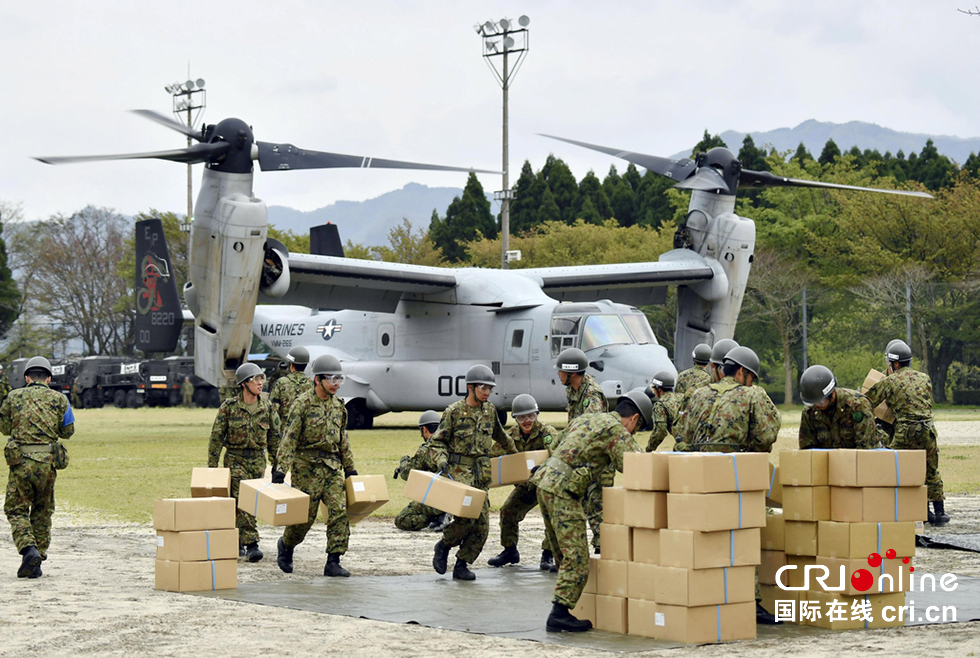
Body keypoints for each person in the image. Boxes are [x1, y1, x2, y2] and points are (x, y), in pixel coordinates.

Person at [532, 388, 651, 633]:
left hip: (544, 483)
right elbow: (635, 465)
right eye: (637, 429)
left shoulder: (586, 418)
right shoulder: (617, 430)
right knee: (577, 558)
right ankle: (559, 614)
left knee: (563, 553)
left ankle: (569, 605)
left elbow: (557, 444)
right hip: (563, 491)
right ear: (634, 419)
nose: (633, 433)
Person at [429, 364, 517, 581]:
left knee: (483, 526)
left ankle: (462, 564)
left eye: (490, 388)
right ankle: (444, 545)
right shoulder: (454, 412)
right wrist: (441, 460)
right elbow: (437, 442)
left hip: (481, 475)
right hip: (459, 473)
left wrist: (517, 456)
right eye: (483, 388)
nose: (487, 392)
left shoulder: (490, 410)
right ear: (470, 387)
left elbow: (501, 436)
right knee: (467, 519)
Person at [274, 354, 358, 577]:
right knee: (304, 518)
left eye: (339, 379)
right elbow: (289, 437)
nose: (336, 384)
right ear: (317, 379)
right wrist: (281, 469)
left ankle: (333, 561)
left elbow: (343, 439)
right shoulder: (302, 404)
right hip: (306, 468)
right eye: (331, 379)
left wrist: (350, 468)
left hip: (332, 467)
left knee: (339, 512)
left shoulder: (339, 406)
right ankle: (286, 545)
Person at [1, 356, 74, 579]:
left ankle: (28, 550)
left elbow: (4, 428)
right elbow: (68, 431)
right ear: (49, 378)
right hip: (47, 464)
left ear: (27, 377)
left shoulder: (13, 397)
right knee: (42, 511)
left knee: (16, 509)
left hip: (21, 463)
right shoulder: (60, 399)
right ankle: (37, 560)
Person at [866, 340, 948, 526]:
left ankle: (914, 510)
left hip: (905, 431)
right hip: (928, 429)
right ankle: (939, 512)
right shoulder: (924, 378)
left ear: (895, 364)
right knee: (931, 469)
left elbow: (867, 402)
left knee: (896, 469)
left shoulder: (890, 381)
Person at [207, 363, 282, 563]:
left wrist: (278, 466)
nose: (260, 383)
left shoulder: (268, 408)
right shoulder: (229, 407)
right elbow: (216, 437)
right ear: (244, 384)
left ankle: (237, 538)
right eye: (255, 379)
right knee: (242, 498)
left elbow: (275, 439)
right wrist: (212, 467)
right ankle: (252, 544)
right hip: (235, 459)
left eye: (261, 379)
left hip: (257, 461)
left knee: (250, 503)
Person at [486, 394, 561, 572]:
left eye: (531, 416)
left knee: (552, 516)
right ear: (515, 418)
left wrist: (543, 468)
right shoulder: (511, 436)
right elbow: (492, 456)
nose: (527, 421)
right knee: (508, 511)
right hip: (526, 487)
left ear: (537, 415)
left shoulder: (547, 433)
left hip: (547, 485)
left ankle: (548, 554)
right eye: (521, 417)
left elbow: (558, 456)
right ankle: (510, 551)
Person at [676, 346, 780, 454]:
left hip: (699, 461)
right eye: (751, 378)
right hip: (736, 462)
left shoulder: (698, 394)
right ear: (741, 371)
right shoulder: (753, 394)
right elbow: (765, 438)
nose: (751, 383)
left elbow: (683, 436)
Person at [555, 347, 608, 554]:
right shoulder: (574, 389)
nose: (558, 374)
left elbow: (591, 430)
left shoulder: (592, 395)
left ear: (572, 373)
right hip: (581, 456)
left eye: (561, 371)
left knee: (595, 506)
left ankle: (603, 551)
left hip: (595, 458)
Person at [393, 410, 451, 532]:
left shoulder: (427, 449)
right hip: (456, 495)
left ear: (424, 429)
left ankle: (437, 515)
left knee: (402, 520)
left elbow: (408, 474)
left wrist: (403, 461)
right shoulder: (451, 444)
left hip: (437, 497)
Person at [798, 365, 880, 449]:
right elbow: (808, 449)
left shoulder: (858, 406)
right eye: (813, 403)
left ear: (832, 393)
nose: (817, 406)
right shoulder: (809, 412)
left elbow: (866, 448)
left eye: (821, 402)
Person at [270, 346, 314, 427]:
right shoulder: (312, 384)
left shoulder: (281, 383)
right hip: (305, 429)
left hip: (284, 429)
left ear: (291, 365)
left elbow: (273, 410)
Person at [644, 370, 681, 451]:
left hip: (685, 444)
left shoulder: (660, 405)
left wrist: (649, 449)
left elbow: (660, 431)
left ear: (659, 389)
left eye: (654, 388)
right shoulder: (682, 397)